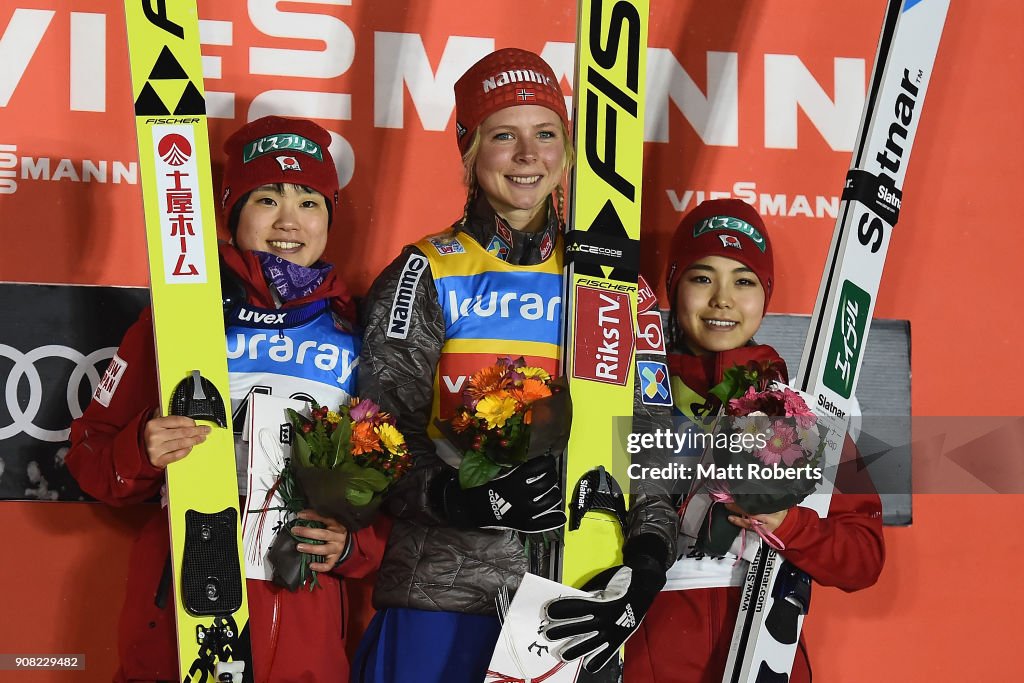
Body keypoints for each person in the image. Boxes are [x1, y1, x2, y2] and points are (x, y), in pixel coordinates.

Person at [352, 48, 677, 682]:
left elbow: (651, 439)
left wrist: (646, 561)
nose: (529, 155)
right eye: (505, 135)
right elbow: (380, 436)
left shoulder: (616, 288)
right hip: (441, 598)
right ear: (471, 152)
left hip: (572, 606)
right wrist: (462, 498)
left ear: (567, 149)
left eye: (546, 134)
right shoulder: (426, 272)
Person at [66, 116, 388, 683]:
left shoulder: (361, 332)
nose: (289, 220)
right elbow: (90, 460)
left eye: (310, 201)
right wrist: (142, 448)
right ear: (232, 211)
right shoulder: (178, 319)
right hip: (180, 610)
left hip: (302, 613)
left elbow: (399, 488)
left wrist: (355, 545)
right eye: (267, 198)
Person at [623, 198, 886, 682]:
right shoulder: (624, 393)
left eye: (743, 281)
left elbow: (862, 557)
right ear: (674, 285)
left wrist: (788, 525)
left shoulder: (809, 408)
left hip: (762, 642)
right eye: (702, 277)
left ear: (765, 294)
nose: (722, 299)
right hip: (646, 642)